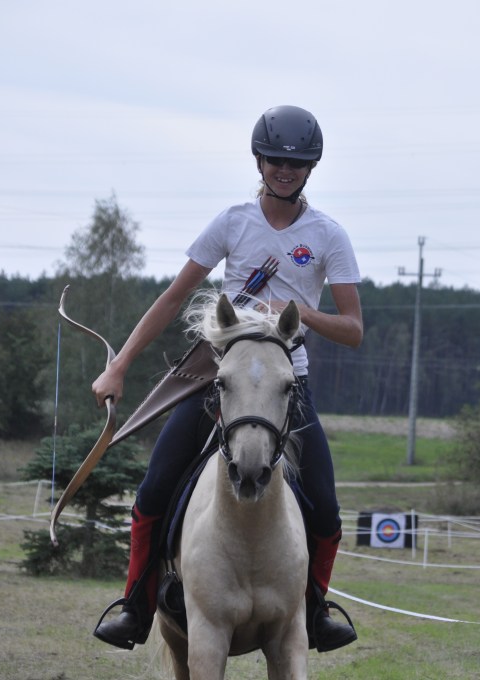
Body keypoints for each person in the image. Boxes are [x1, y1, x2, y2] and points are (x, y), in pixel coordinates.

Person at [90, 105, 362, 653]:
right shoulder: (233, 222)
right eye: (275, 160)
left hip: (288, 388)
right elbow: (173, 298)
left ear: (310, 168)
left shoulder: (328, 235)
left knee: (327, 510)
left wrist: (302, 313)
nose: (284, 170)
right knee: (152, 491)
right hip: (221, 382)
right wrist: (118, 366)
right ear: (259, 161)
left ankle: (315, 611)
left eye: (296, 163)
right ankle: (136, 608)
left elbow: (353, 329)